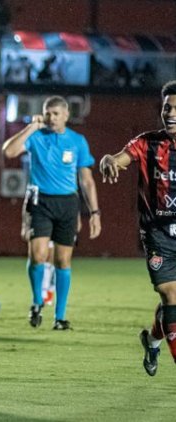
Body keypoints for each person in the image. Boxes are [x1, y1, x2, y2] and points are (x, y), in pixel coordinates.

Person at [3, 96, 102, 330]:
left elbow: (86, 180)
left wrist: (95, 212)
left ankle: (60, 317)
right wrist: (31, 127)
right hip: (40, 201)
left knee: (63, 260)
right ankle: (37, 303)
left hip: (68, 203)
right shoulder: (36, 136)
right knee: (37, 255)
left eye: (56, 114)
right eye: (48, 113)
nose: (51, 118)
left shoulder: (77, 141)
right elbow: (9, 152)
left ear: (66, 115)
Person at [99, 80, 176, 377]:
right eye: (166, 107)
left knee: (171, 308)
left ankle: (152, 339)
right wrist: (110, 160)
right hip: (158, 235)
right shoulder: (147, 142)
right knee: (170, 295)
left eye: (175, 109)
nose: (170, 113)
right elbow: (119, 158)